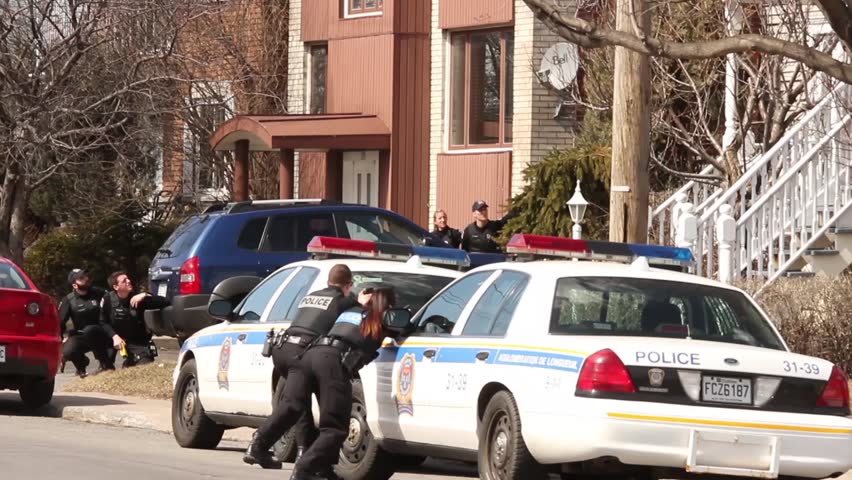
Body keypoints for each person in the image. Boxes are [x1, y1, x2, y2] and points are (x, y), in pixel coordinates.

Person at [244, 264, 370, 470]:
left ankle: (263, 446)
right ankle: (310, 460)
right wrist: (361, 301)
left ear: (329, 281)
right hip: (303, 352)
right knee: (308, 405)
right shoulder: (344, 300)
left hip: (283, 349)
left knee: (295, 404)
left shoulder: (312, 295)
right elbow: (357, 311)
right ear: (348, 285)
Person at [278, 287, 397, 480]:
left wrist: (360, 302)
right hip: (333, 364)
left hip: (312, 356)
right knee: (334, 428)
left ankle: (323, 470)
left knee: (329, 424)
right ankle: (304, 470)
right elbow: (404, 328)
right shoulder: (382, 320)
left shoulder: (351, 311)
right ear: (389, 306)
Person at [99, 271, 169, 367]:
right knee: (105, 363)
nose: (128, 281)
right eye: (124, 281)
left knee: (145, 365)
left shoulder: (137, 299)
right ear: (116, 287)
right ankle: (106, 366)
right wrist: (114, 336)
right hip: (115, 339)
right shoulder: (108, 299)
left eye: (128, 278)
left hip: (136, 341)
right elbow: (103, 321)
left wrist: (146, 294)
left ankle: (128, 363)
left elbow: (165, 301)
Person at [58, 269, 111, 377]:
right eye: (81, 278)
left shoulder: (100, 293)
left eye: (86, 276)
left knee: (91, 330)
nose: (86, 279)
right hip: (82, 335)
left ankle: (105, 364)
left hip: (103, 334)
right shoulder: (68, 300)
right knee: (68, 351)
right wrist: (60, 341)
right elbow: (60, 322)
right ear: (74, 285)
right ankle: (81, 367)